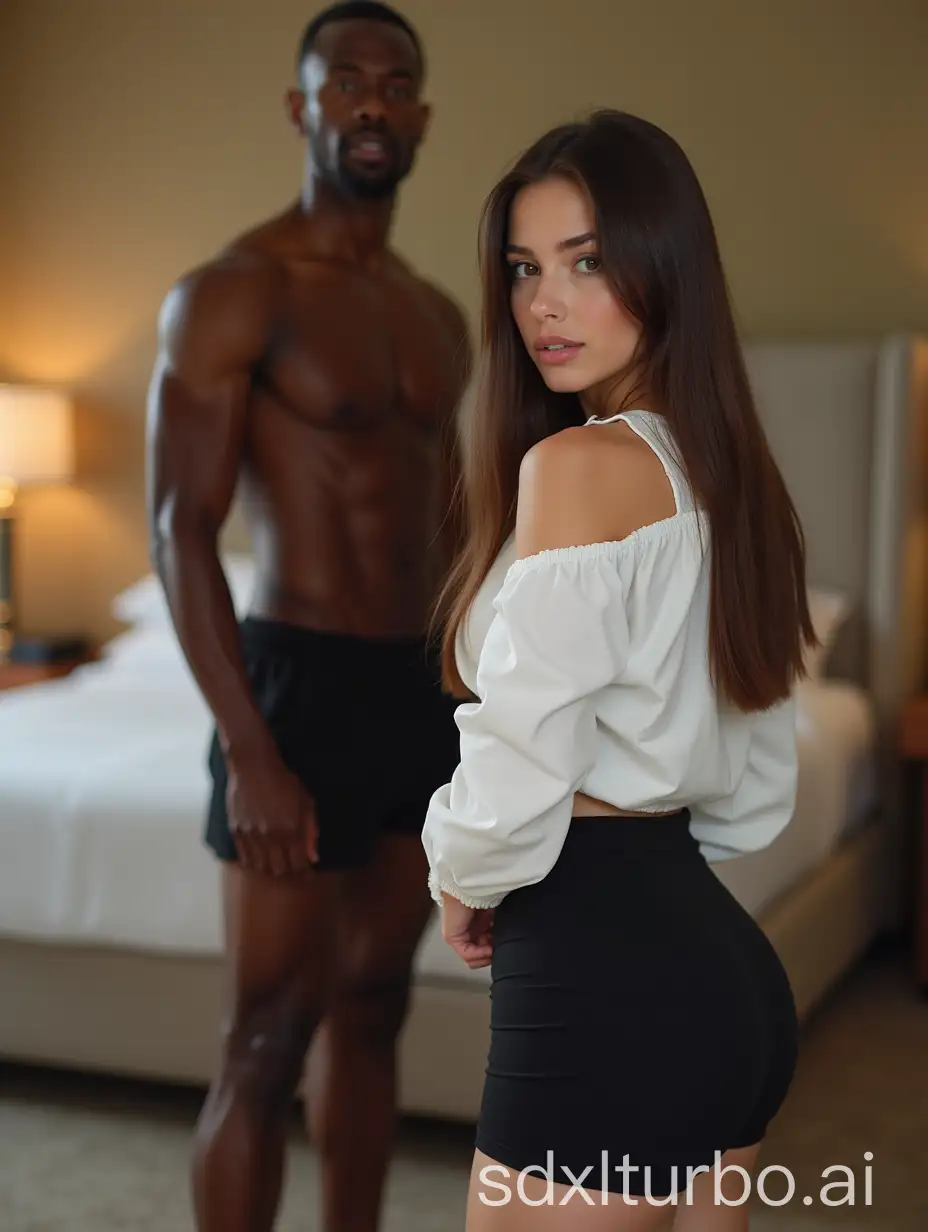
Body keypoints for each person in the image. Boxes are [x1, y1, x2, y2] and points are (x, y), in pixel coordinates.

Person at [422, 109, 815, 1231]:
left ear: (663, 269)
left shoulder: (581, 467)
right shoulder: (728, 474)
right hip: (717, 972)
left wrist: (463, 867)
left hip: (602, 982)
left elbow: (520, 738)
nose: (544, 302)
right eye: (523, 267)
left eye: (586, 263)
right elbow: (747, 793)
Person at [146, 5, 471, 1230]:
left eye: (397, 86)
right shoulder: (235, 291)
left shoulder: (441, 317)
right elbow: (180, 528)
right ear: (304, 108)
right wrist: (249, 748)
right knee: (266, 1036)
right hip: (292, 683)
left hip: (416, 693)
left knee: (375, 1003)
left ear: (422, 118)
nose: (373, 104)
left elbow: (453, 537)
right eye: (347, 83)